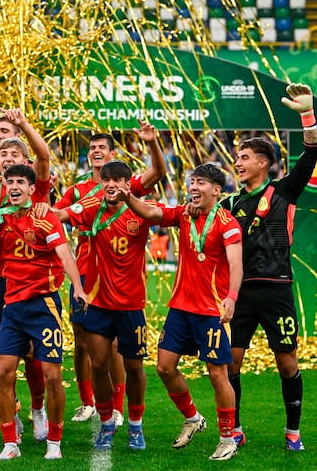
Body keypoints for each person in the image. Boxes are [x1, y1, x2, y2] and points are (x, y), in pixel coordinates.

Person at [0, 164, 88, 461]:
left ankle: (54, 441)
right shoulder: (0, 220)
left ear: (32, 189)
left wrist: (78, 288)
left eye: (20, 182)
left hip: (43, 306)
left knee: (52, 375)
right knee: (3, 373)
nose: (14, 186)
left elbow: (65, 254)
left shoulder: (45, 219)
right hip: (12, 308)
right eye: (9, 181)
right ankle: (10, 443)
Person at [220, 83, 317, 451]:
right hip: (241, 292)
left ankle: (293, 430)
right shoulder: (229, 203)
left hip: (277, 288)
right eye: (238, 157)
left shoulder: (284, 191)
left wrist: (307, 114)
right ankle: (236, 427)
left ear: (263, 162)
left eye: (244, 157)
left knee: (286, 363)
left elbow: (312, 154)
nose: (238, 162)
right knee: (231, 364)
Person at [121, 163, 243, 461]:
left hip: (211, 311)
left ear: (217, 190)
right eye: (192, 181)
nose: (193, 187)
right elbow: (151, 213)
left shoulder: (228, 224)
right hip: (180, 308)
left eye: (200, 182)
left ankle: (228, 438)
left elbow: (237, 263)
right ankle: (192, 417)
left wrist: (231, 297)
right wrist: (127, 199)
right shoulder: (184, 214)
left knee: (217, 374)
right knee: (164, 367)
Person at [55, 125, 165, 424]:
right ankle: (87, 401)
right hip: (86, 274)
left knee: (119, 347)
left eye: (102, 147)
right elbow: (56, 217)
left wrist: (152, 144)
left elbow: (157, 173)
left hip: (121, 278)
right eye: (92, 148)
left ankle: (118, 407)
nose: (96, 151)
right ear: (88, 156)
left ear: (112, 154)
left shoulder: (129, 189)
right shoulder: (78, 192)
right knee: (83, 343)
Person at [0, 109, 52, 442]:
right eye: (2, 153)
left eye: (15, 153)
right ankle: (14, 410)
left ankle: (38, 408)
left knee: (35, 353)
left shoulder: (36, 189)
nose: (7, 158)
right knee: (1, 352)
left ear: (25, 161)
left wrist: (23, 125)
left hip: (35, 280)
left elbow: (45, 155)